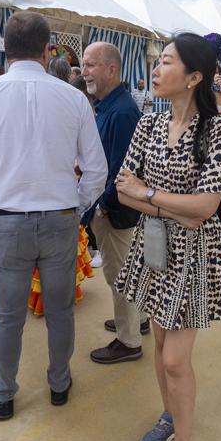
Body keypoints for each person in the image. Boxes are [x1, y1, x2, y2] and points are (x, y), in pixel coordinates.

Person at [0, 11, 107, 420]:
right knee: (60, 310)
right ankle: (58, 383)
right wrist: (76, 205)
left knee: (9, 314)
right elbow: (97, 170)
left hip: (9, 221)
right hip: (61, 217)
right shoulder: (73, 97)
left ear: (6, 48)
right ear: (47, 48)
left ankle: (4, 393)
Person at [113, 33, 221, 441]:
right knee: (161, 340)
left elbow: (207, 207)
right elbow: (122, 187)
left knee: (174, 358)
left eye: (166, 62)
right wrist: (170, 206)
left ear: (193, 77)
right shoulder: (148, 123)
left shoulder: (218, 130)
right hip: (152, 249)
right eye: (158, 60)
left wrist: (150, 196)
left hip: (194, 255)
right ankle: (169, 417)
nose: (155, 67)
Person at [80, 42, 149, 365]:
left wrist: (102, 205)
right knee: (126, 271)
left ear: (111, 69)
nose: (84, 71)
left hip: (116, 210)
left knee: (120, 275)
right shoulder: (109, 105)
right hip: (113, 206)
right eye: (84, 64)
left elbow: (124, 168)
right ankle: (138, 320)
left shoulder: (121, 111)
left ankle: (129, 339)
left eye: (91, 64)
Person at [28, 55, 95, 317]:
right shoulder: (74, 101)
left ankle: (39, 299)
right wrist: (82, 200)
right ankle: (60, 298)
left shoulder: (24, 100)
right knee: (60, 253)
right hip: (64, 191)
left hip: (26, 195)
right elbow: (94, 165)